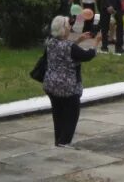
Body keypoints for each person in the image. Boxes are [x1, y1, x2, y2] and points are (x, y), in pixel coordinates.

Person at [43, 15, 100, 148]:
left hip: (51, 85)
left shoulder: (50, 42)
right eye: (68, 25)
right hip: (68, 87)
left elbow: (65, 50)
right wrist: (96, 43)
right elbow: (87, 56)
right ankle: (64, 142)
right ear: (64, 29)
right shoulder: (70, 47)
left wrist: (78, 40)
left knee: (58, 115)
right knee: (71, 116)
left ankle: (58, 140)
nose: (70, 28)